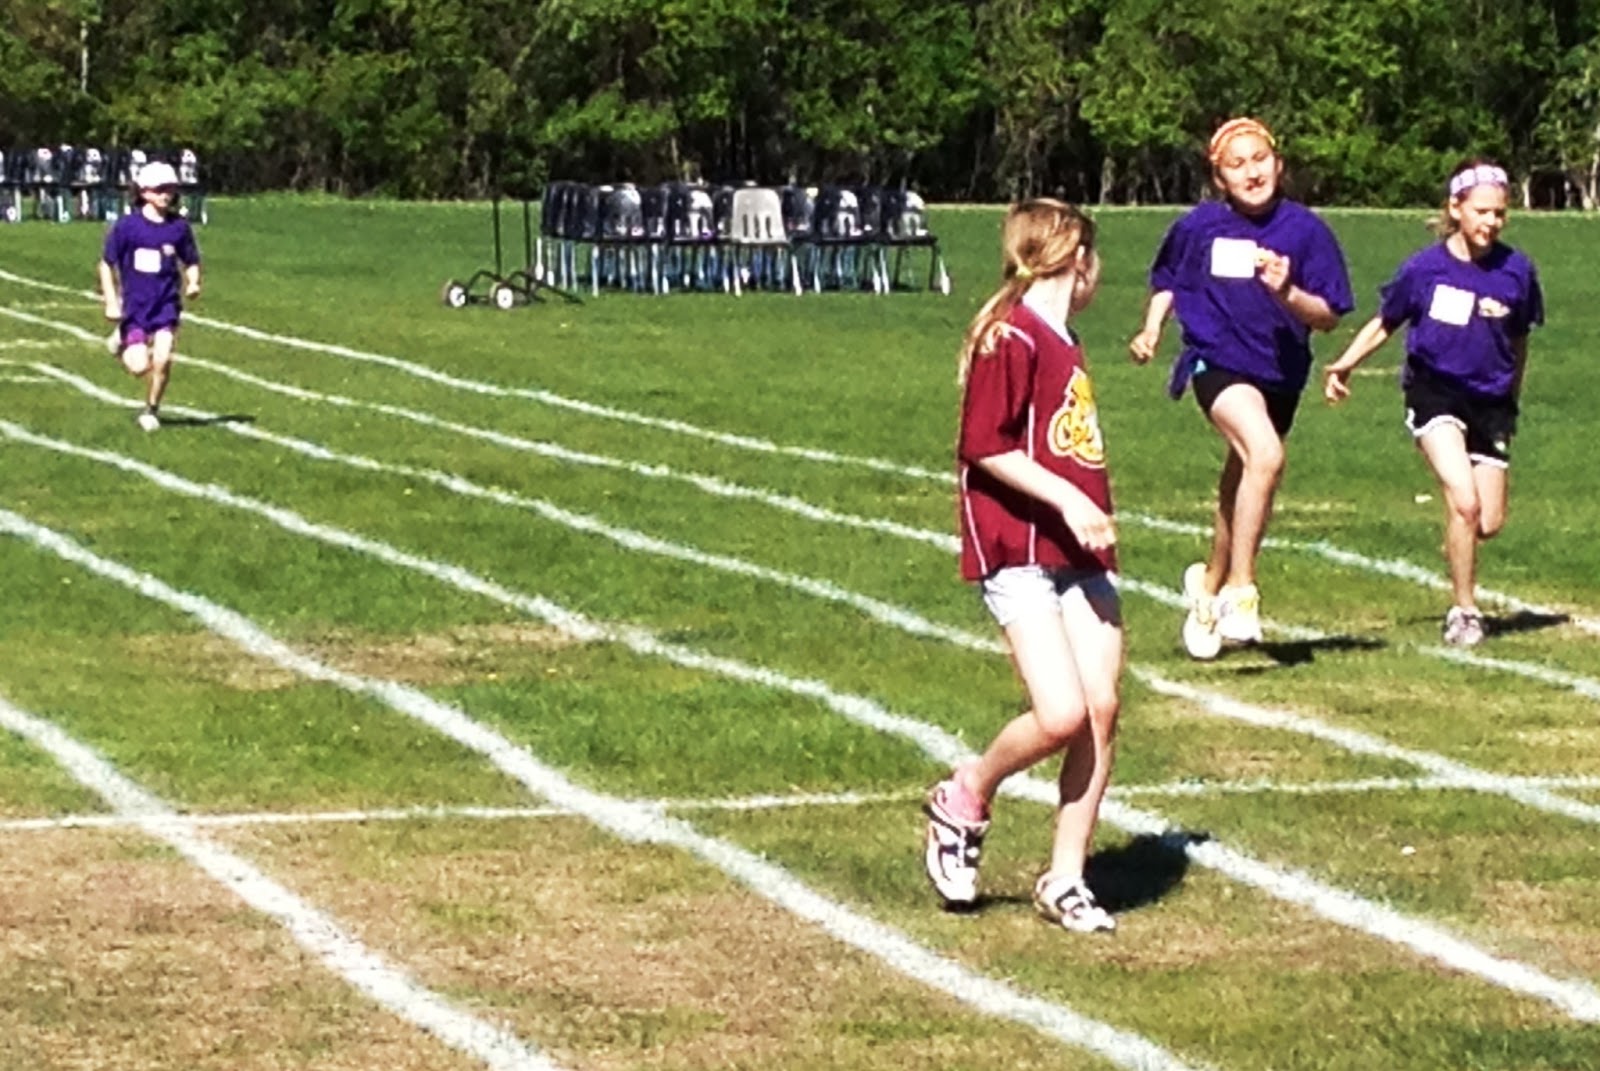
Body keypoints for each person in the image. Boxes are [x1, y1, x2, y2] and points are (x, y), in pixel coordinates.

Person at [923, 199, 1122, 933]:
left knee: (1101, 708)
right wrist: (1070, 498)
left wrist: (1084, 514)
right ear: (1077, 260)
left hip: (1079, 547)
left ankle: (1066, 877)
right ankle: (967, 791)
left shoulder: (1060, 335)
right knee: (1061, 712)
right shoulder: (1010, 335)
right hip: (1021, 547)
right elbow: (985, 444)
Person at [1129, 117, 1354, 659]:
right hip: (1216, 361)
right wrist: (1153, 328)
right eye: (1237, 164)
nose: (1252, 172)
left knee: (1245, 480)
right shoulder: (1199, 226)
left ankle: (1207, 587)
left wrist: (1286, 293)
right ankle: (1242, 591)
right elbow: (1170, 282)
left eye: (1259, 160)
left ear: (1277, 163)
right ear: (1219, 177)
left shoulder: (1306, 231)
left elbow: (1327, 316)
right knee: (1267, 455)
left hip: (1281, 373)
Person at [1322, 158, 1542, 647]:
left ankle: (1460, 539)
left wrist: (1513, 396)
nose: (1491, 222)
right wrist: (1345, 364)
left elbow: (1519, 338)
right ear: (1456, 208)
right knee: (1463, 502)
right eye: (1482, 211)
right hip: (1434, 392)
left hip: (1491, 403)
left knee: (1488, 520)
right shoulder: (1425, 269)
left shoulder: (1517, 271)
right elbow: (1386, 321)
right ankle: (1464, 611)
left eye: (1499, 214)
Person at [98, 159, 202, 432]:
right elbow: (106, 263)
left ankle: (152, 409)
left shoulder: (178, 227)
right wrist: (111, 301)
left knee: (164, 358)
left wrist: (193, 282)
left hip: (166, 305)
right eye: (159, 189)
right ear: (144, 192)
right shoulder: (127, 227)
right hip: (135, 309)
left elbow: (191, 260)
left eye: (169, 189)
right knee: (139, 367)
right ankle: (122, 339)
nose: (166, 194)